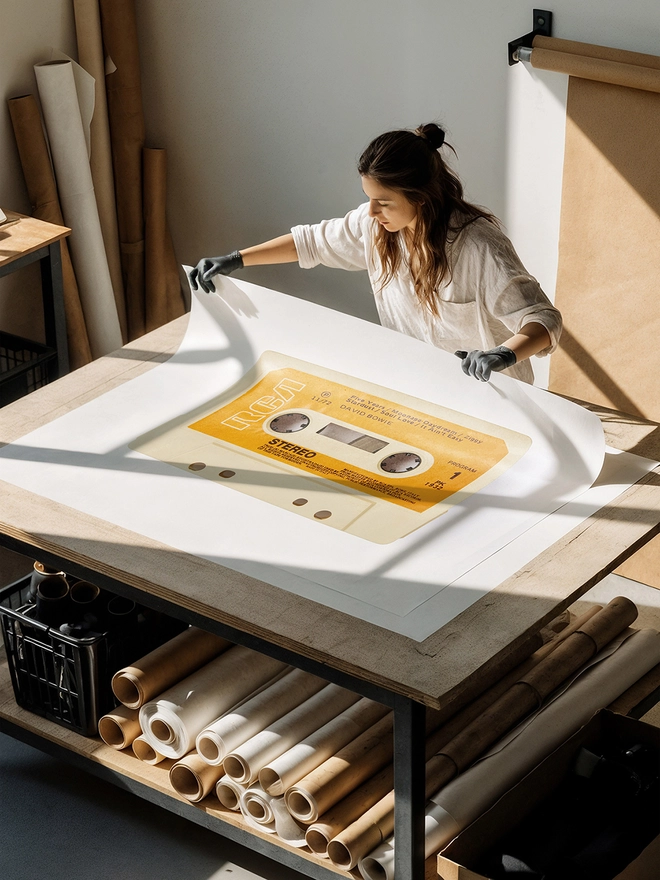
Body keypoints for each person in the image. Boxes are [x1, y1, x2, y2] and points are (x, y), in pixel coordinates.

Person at [190, 123, 561, 383]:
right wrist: (237, 258)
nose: (370, 212)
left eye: (382, 202)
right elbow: (311, 243)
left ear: (421, 197)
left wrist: (503, 354)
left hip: (496, 397)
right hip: (420, 387)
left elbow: (542, 320)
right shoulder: (377, 227)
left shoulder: (479, 245)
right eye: (369, 199)